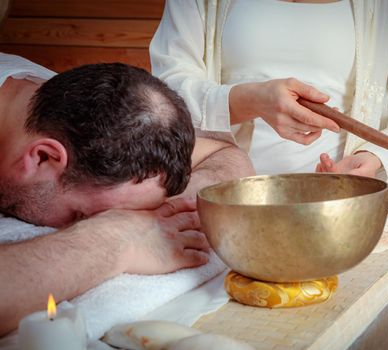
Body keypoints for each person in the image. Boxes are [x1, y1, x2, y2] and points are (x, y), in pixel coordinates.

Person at [0, 53, 254, 335]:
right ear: (43, 158)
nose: (82, 222)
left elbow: (224, 154)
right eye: (81, 215)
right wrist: (114, 239)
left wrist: (167, 215)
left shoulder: (80, 113)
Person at [149, 0, 388, 207]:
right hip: (210, 198)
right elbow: (165, 86)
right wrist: (246, 100)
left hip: (336, 208)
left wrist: (373, 157)